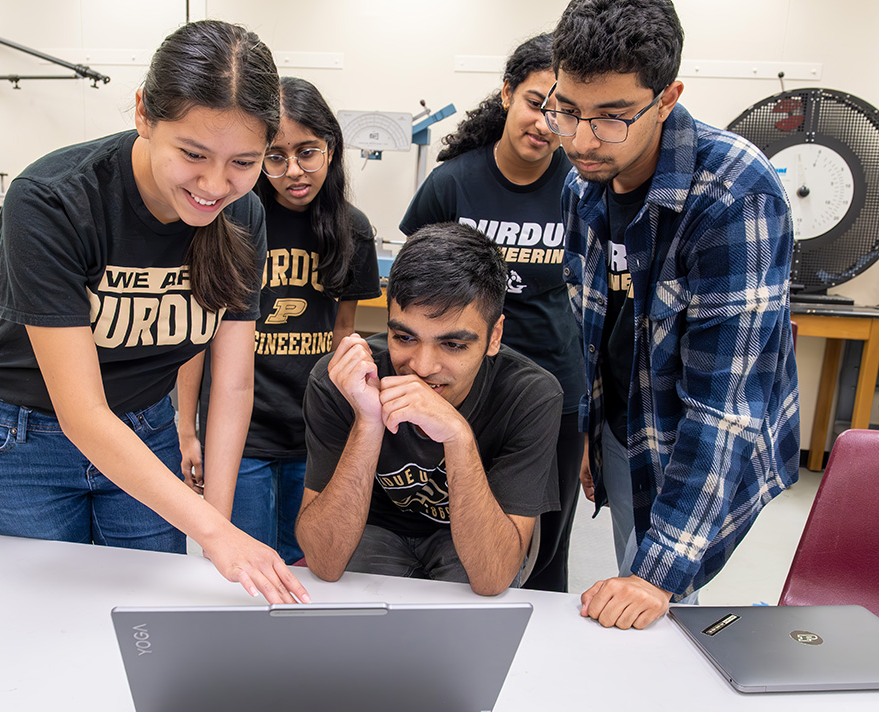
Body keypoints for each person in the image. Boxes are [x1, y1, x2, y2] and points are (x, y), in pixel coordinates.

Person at [0, 20, 309, 605]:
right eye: (193, 154)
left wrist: (216, 524)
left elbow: (234, 381)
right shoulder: (53, 199)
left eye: (244, 162)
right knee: (57, 615)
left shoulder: (243, 214)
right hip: (23, 438)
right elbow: (82, 413)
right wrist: (215, 532)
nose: (214, 185)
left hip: (146, 427)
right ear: (144, 113)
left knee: (154, 609)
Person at [548, 0, 799, 629]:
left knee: (656, 605)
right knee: (633, 587)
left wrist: (655, 576)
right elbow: (593, 327)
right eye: (568, 110)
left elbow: (726, 409)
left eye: (611, 118)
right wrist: (591, 426)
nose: (580, 139)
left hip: (697, 429)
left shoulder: (736, 195)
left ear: (667, 97)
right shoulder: (584, 184)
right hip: (623, 421)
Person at [399, 33, 584, 592]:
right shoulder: (453, 182)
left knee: (546, 547)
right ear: (507, 94)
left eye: (563, 112)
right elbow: (412, 277)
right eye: (535, 102)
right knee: (460, 533)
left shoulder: (580, 186)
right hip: (466, 384)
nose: (545, 122)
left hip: (552, 385)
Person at [295, 222, 563, 596]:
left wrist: (457, 437)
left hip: (474, 534)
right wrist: (368, 422)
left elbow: (493, 575)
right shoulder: (341, 380)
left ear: (494, 337)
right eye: (404, 337)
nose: (421, 366)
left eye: (452, 344)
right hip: (374, 529)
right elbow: (324, 561)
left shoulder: (530, 396)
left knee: (467, 622)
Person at [177, 76, 380, 565]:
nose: (294, 171)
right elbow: (196, 340)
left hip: (314, 431)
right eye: (275, 156)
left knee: (304, 565)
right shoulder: (230, 221)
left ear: (330, 149)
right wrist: (188, 427)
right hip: (241, 434)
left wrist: (350, 423)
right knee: (239, 564)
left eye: (307, 152)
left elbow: (343, 335)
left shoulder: (351, 229)